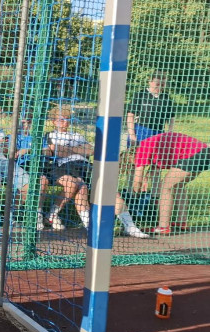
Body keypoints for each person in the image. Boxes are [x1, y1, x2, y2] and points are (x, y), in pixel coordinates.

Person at [42, 106, 148, 238]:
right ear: (54, 121)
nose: (66, 122)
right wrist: (78, 149)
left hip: (86, 165)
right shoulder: (51, 135)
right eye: (61, 119)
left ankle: (130, 226)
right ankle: (90, 227)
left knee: (111, 191)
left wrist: (69, 149)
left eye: (68, 119)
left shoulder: (77, 135)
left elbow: (91, 150)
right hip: (67, 166)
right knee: (81, 188)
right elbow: (57, 151)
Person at [132, 132, 210, 234]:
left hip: (193, 154)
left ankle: (163, 226)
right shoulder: (149, 145)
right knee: (178, 186)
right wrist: (146, 178)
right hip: (203, 152)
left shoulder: (141, 149)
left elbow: (137, 180)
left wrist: (134, 196)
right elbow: (155, 166)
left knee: (165, 188)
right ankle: (181, 222)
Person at [126, 71, 175, 147]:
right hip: (141, 131)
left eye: (162, 84)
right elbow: (130, 116)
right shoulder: (140, 95)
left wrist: (169, 134)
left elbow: (171, 118)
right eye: (157, 84)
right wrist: (132, 136)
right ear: (150, 82)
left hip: (158, 133)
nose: (159, 87)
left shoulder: (166, 97)